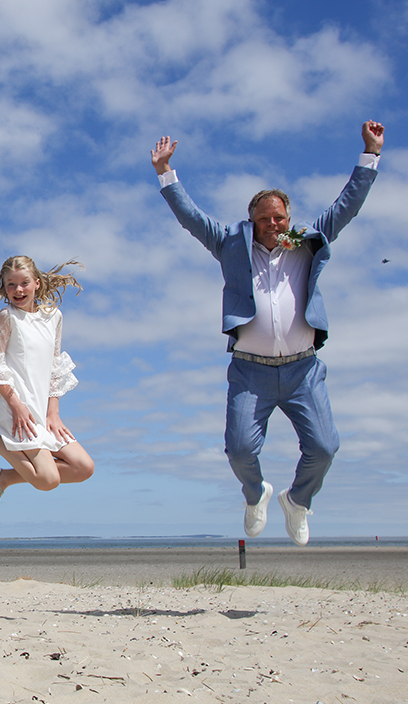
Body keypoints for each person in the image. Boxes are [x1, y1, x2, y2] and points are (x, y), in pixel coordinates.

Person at [149, 121, 385, 545]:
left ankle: (298, 501)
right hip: (249, 372)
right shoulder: (230, 245)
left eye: (279, 218)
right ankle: (256, 494)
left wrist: (371, 154)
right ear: (252, 221)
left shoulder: (308, 242)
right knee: (240, 450)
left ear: (288, 218)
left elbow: (347, 205)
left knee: (325, 448)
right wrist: (166, 173)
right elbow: (191, 218)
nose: (272, 225)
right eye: (264, 219)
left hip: (303, 371)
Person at [0, 256, 95, 515]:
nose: (18, 290)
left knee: (84, 467)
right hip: (18, 412)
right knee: (47, 480)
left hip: (44, 412)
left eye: (24, 283)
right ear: (3, 288)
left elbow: (55, 366)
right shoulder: (7, 317)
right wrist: (16, 405)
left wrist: (53, 411)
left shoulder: (53, 317)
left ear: (37, 284)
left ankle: (3, 478)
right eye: (11, 285)